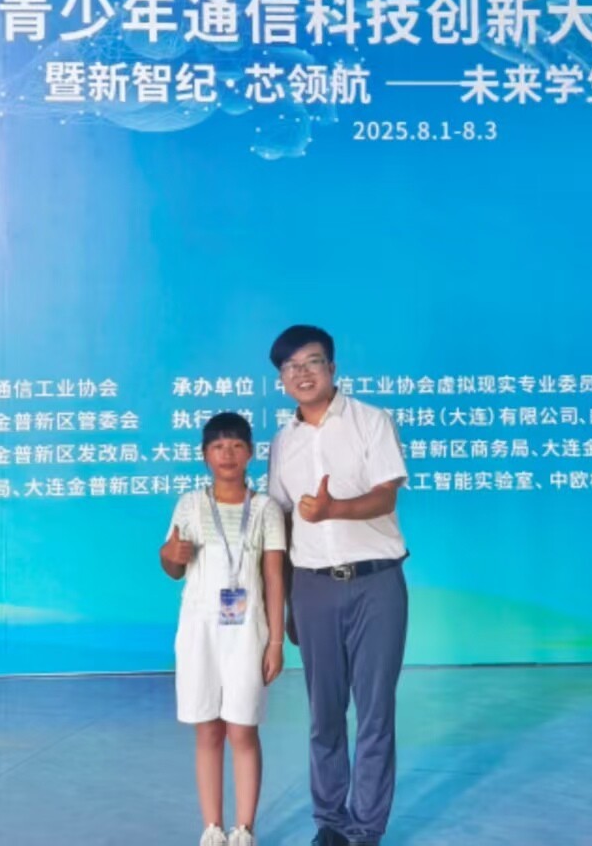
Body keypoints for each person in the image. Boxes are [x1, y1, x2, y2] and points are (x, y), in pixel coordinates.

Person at [267, 325, 409, 846]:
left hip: (377, 583)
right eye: (291, 367)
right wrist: (287, 604)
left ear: (332, 368)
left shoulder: (372, 421)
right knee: (324, 713)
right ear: (282, 380)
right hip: (313, 589)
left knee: (375, 711)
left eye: (312, 362)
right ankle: (330, 821)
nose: (302, 373)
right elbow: (281, 521)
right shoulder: (283, 442)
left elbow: (386, 496)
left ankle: (366, 828)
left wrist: (333, 510)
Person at [160, 412, 288, 846]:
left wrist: (275, 641)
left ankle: (244, 827)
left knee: (242, 728)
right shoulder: (190, 505)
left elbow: (274, 577)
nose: (227, 454)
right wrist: (170, 554)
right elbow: (172, 566)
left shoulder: (266, 509)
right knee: (209, 729)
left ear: (250, 453)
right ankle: (212, 826)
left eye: (236, 446)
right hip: (199, 631)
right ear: (204, 456)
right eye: (217, 447)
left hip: (248, 633)